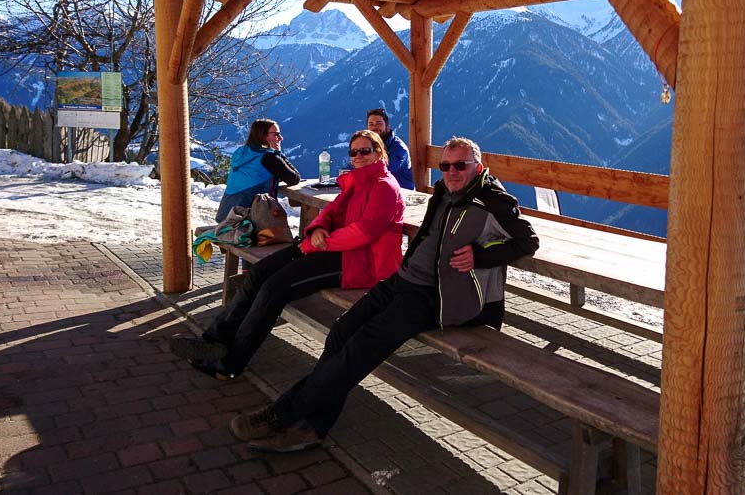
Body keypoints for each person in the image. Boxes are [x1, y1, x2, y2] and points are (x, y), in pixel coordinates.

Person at [230, 137, 538, 452]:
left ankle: (282, 414)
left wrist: (479, 255)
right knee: (341, 331)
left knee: (359, 349)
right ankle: (314, 425)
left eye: (460, 165)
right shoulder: (445, 190)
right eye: (445, 166)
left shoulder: (492, 199)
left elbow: (528, 241)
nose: (451, 172)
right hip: (402, 280)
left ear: (479, 167)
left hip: (434, 296)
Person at [171, 129, 405, 379]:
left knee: (275, 288)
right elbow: (331, 211)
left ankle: (230, 362)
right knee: (259, 272)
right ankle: (213, 341)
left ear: (379, 153)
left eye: (365, 151)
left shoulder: (384, 187)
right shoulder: (357, 181)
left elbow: (364, 233)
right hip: (332, 248)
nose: (358, 156)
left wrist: (316, 243)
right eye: (353, 151)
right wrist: (318, 228)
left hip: (358, 262)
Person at [216, 119, 300, 223]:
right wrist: (278, 152)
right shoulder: (268, 158)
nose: (281, 138)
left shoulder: (241, 152)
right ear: (262, 135)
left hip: (226, 215)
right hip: (249, 221)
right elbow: (294, 178)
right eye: (276, 134)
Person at [366, 108, 414, 190]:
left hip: (401, 193)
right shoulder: (369, 145)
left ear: (387, 127)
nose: (374, 127)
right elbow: (355, 163)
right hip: (378, 190)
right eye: (371, 124)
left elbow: (384, 172)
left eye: (379, 123)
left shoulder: (398, 148)